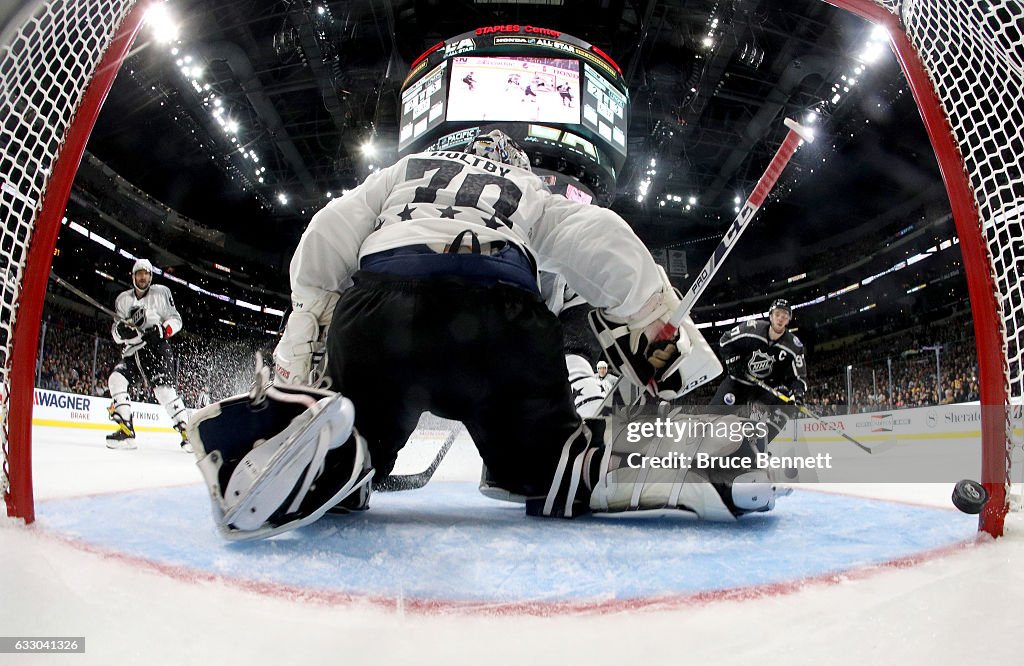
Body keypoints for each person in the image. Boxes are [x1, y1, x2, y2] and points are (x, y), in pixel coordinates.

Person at [189, 129, 785, 541]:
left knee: (363, 453)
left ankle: (326, 450)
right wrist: (690, 375)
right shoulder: (531, 191)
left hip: (382, 314)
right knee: (549, 469)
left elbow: (325, 238)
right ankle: (701, 461)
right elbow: (605, 246)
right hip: (500, 315)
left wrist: (300, 359)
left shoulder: (406, 171)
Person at [106, 258, 192, 453]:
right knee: (116, 380)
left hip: (156, 348)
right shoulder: (122, 300)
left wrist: (163, 331)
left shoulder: (162, 293)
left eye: (146, 273)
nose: (142, 276)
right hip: (133, 352)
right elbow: (115, 332)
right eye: (139, 273)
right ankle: (126, 432)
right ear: (133, 276)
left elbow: (176, 319)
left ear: (151, 276)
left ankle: (188, 433)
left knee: (163, 392)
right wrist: (121, 333)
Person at [709, 298, 808, 445]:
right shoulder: (752, 329)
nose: (781, 318)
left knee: (787, 403)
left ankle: (760, 445)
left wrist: (798, 395)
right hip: (739, 382)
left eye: (785, 315)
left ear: (788, 320)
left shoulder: (794, 346)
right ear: (770, 316)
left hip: (765, 388)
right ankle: (701, 445)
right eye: (778, 314)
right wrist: (732, 361)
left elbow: (799, 378)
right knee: (711, 415)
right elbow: (725, 340)